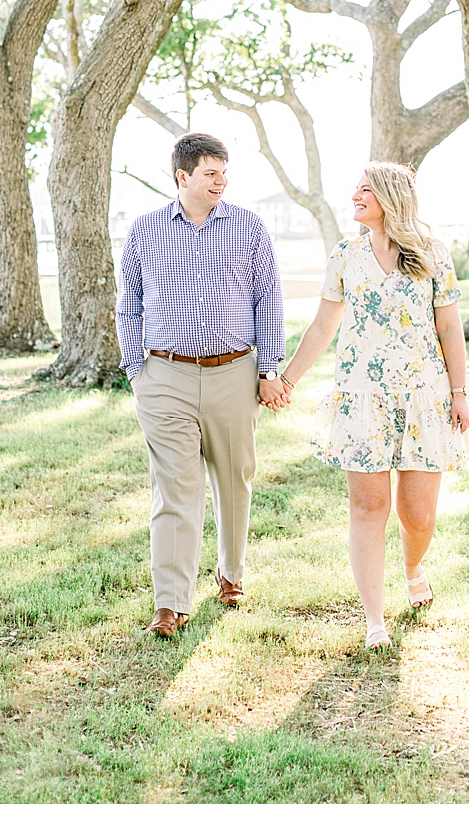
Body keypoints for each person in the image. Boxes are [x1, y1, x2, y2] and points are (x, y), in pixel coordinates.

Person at [278, 161, 469, 648]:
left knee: (417, 515)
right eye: (356, 189)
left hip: (424, 398)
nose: (355, 196)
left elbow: (449, 327)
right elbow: (322, 327)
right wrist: (286, 380)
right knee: (369, 507)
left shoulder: (431, 253)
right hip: (362, 399)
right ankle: (374, 621)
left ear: (389, 197)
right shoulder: (345, 255)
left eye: (365, 190)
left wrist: (460, 393)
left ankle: (413, 565)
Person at [118, 132, 289, 639]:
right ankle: (171, 603)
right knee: (175, 488)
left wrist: (268, 370)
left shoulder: (248, 226)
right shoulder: (145, 230)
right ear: (183, 176)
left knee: (234, 480)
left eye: (224, 173)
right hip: (164, 375)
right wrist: (136, 370)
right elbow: (129, 303)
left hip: (234, 374)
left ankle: (231, 574)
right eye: (211, 173)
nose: (221, 181)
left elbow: (268, 300)